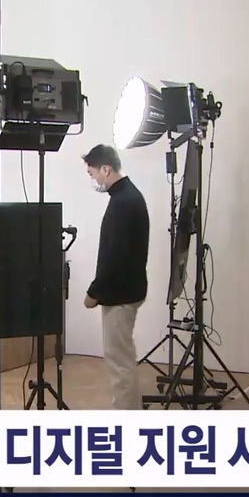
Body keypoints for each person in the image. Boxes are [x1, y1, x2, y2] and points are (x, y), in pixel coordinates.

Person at [82, 144, 150, 410]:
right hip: (128, 290)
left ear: (105, 169)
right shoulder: (127, 196)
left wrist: (93, 292)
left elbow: (115, 256)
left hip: (121, 295)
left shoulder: (124, 202)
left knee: (120, 364)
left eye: (92, 174)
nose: (93, 180)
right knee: (123, 359)